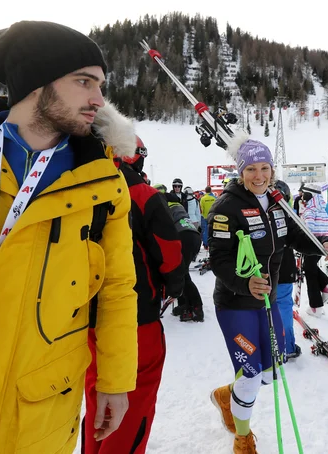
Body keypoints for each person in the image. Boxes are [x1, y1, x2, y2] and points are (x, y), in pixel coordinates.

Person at [0, 21, 138, 453]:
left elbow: (118, 290)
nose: (99, 100)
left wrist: (116, 381)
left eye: (100, 84)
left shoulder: (102, 187)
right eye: (84, 82)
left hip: (34, 413)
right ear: (35, 85)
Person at [207, 138, 328, 453]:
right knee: (251, 375)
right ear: (241, 172)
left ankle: (226, 396)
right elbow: (219, 259)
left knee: (269, 373)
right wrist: (245, 285)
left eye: (264, 168)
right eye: (251, 169)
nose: (259, 175)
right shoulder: (226, 207)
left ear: (272, 169)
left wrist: (323, 242)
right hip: (236, 303)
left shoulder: (277, 201)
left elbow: (294, 235)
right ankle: (242, 437)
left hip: (266, 301)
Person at [84, 132, 185, 454]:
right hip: (135, 313)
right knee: (133, 394)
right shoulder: (140, 192)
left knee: (96, 392)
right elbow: (169, 252)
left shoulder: (74, 182)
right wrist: (175, 284)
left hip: (82, 313)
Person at [271, 180, 302, 359]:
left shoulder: (257, 212)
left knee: (265, 308)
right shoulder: (288, 214)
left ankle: (271, 348)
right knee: (283, 306)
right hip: (284, 268)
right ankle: (287, 347)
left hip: (264, 269)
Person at [164, 193, 204, 321]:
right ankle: (187, 304)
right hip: (194, 236)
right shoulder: (179, 206)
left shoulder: (165, 207)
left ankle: (196, 307)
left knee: (182, 275)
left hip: (183, 237)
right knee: (182, 273)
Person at [300, 184, 328, 317]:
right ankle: (326, 289)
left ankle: (316, 305)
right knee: (310, 268)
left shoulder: (310, 210)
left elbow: (307, 230)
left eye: (303, 194)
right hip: (321, 244)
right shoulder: (322, 209)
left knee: (309, 270)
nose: (302, 197)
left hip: (311, 244)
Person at [200, 185, 216, 250]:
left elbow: (201, 209)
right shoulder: (214, 198)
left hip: (205, 216)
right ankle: (212, 243)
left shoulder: (203, 199)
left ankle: (206, 244)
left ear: (205, 191)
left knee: (205, 231)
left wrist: (203, 215)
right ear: (211, 190)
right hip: (213, 216)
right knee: (213, 230)